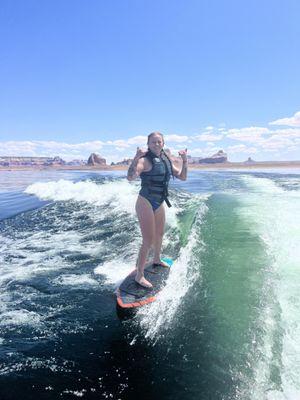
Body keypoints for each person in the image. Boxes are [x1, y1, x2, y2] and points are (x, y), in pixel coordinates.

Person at [127, 132, 188, 288]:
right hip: (145, 201)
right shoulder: (144, 161)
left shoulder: (165, 159)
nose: (156, 144)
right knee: (148, 240)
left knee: (160, 234)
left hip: (159, 201)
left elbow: (182, 177)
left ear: (163, 143)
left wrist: (185, 161)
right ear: (148, 144)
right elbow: (131, 177)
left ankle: (156, 259)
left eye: (159, 142)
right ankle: (139, 275)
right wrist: (135, 157)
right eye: (153, 142)